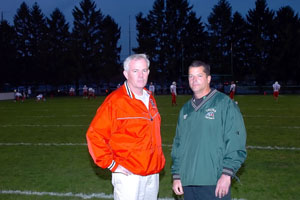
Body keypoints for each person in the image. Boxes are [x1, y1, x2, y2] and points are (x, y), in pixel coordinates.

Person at [86, 54, 165, 200]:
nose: (141, 75)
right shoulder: (115, 101)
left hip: (152, 172)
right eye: (135, 71)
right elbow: (94, 135)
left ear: (148, 72)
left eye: (144, 70)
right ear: (126, 74)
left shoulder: (149, 97)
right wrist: (112, 165)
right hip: (129, 175)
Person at [171, 60, 247, 200]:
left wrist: (226, 174)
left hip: (214, 181)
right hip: (188, 182)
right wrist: (177, 175)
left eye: (199, 76)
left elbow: (236, 141)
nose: (194, 80)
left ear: (208, 78)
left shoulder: (224, 104)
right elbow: (178, 144)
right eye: (191, 76)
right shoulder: (185, 109)